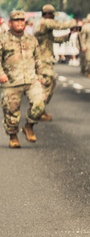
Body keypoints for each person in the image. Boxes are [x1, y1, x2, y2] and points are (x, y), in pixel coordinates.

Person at [0, 10, 46, 148]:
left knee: (40, 103)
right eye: (16, 20)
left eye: (22, 20)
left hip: (31, 80)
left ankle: (29, 125)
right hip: (11, 81)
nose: (20, 23)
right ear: (10, 23)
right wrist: (1, 73)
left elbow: (38, 58)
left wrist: (40, 75)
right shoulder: (3, 39)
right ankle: (13, 137)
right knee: (11, 112)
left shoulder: (31, 39)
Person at [32, 4, 76, 120]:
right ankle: (38, 110)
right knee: (46, 83)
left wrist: (68, 35)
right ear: (48, 14)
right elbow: (59, 26)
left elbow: (53, 39)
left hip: (45, 59)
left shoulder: (44, 26)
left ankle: (40, 109)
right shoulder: (44, 22)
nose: (53, 18)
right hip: (42, 60)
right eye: (52, 15)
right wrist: (72, 22)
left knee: (51, 84)